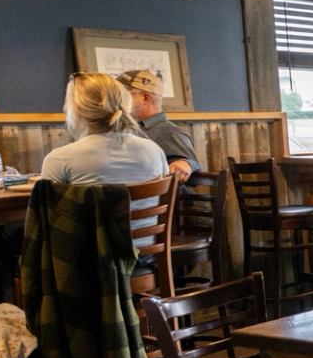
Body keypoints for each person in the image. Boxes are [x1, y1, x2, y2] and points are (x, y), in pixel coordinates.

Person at [39, 73, 170, 246]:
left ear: (76, 109)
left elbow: (46, 218)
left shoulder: (60, 158)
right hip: (146, 253)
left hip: (89, 261)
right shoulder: (154, 150)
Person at [114, 68, 196, 184]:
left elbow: (191, 175)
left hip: (157, 201)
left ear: (145, 98)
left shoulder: (170, 133)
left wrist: (187, 163)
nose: (119, 101)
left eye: (123, 95)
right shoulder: (126, 128)